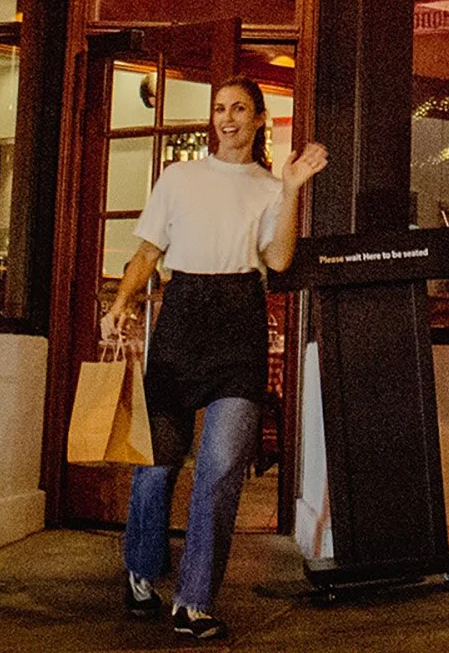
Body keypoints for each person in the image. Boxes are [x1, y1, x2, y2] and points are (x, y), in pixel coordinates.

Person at [105, 78, 328, 642]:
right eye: (220, 110)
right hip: (182, 317)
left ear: (259, 119)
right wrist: (122, 303)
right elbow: (147, 252)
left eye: (239, 110)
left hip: (238, 322)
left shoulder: (268, 186)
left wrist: (293, 187)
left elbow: (277, 261)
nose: (227, 119)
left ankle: (193, 601)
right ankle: (141, 567)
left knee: (222, 469)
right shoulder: (179, 177)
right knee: (157, 464)